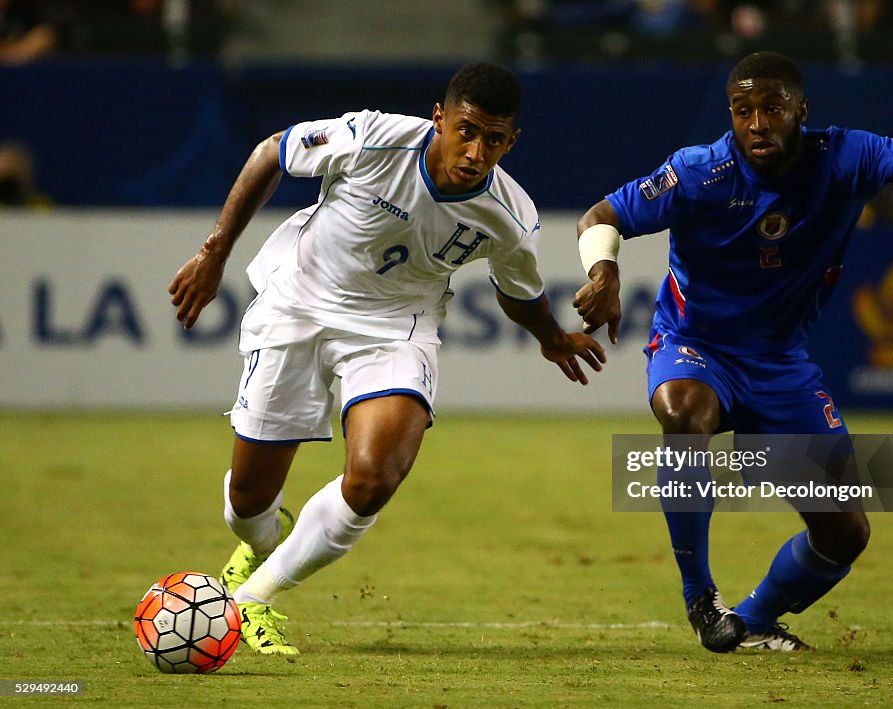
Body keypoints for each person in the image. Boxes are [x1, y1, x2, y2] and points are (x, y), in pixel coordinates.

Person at [168, 62, 606, 655]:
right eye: (467, 131)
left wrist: (551, 336)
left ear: (512, 141)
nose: (477, 152)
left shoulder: (510, 214)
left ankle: (250, 602)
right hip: (297, 303)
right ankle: (260, 547)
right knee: (247, 505)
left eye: (495, 140)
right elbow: (273, 151)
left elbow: (518, 288)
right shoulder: (372, 138)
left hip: (395, 330)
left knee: (373, 478)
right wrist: (214, 251)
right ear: (439, 119)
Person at [572, 51, 893, 652]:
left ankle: (753, 622)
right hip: (695, 345)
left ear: (800, 112)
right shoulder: (698, 172)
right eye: (743, 110)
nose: (757, 122)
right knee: (684, 415)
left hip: (781, 364)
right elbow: (601, 216)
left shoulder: (842, 156)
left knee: (844, 535)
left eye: (772, 109)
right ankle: (701, 599)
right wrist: (604, 272)